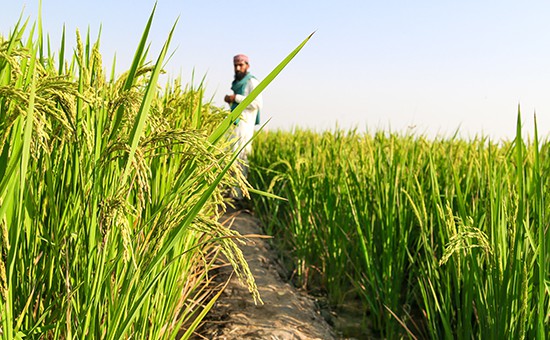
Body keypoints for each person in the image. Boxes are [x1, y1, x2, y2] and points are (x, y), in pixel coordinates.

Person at [224, 54, 262, 182]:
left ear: (247, 66)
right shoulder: (237, 84)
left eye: (241, 65)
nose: (238, 68)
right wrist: (231, 100)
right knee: (231, 157)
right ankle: (230, 192)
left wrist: (236, 98)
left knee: (242, 158)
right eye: (236, 65)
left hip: (245, 126)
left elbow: (257, 103)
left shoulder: (252, 82)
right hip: (235, 125)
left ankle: (239, 195)